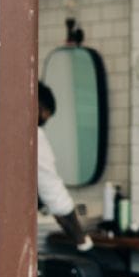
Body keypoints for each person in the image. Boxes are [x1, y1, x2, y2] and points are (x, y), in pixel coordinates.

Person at [38, 81, 92, 251]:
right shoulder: (32, 134)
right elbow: (52, 191)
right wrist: (82, 241)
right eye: (46, 112)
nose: (45, 118)